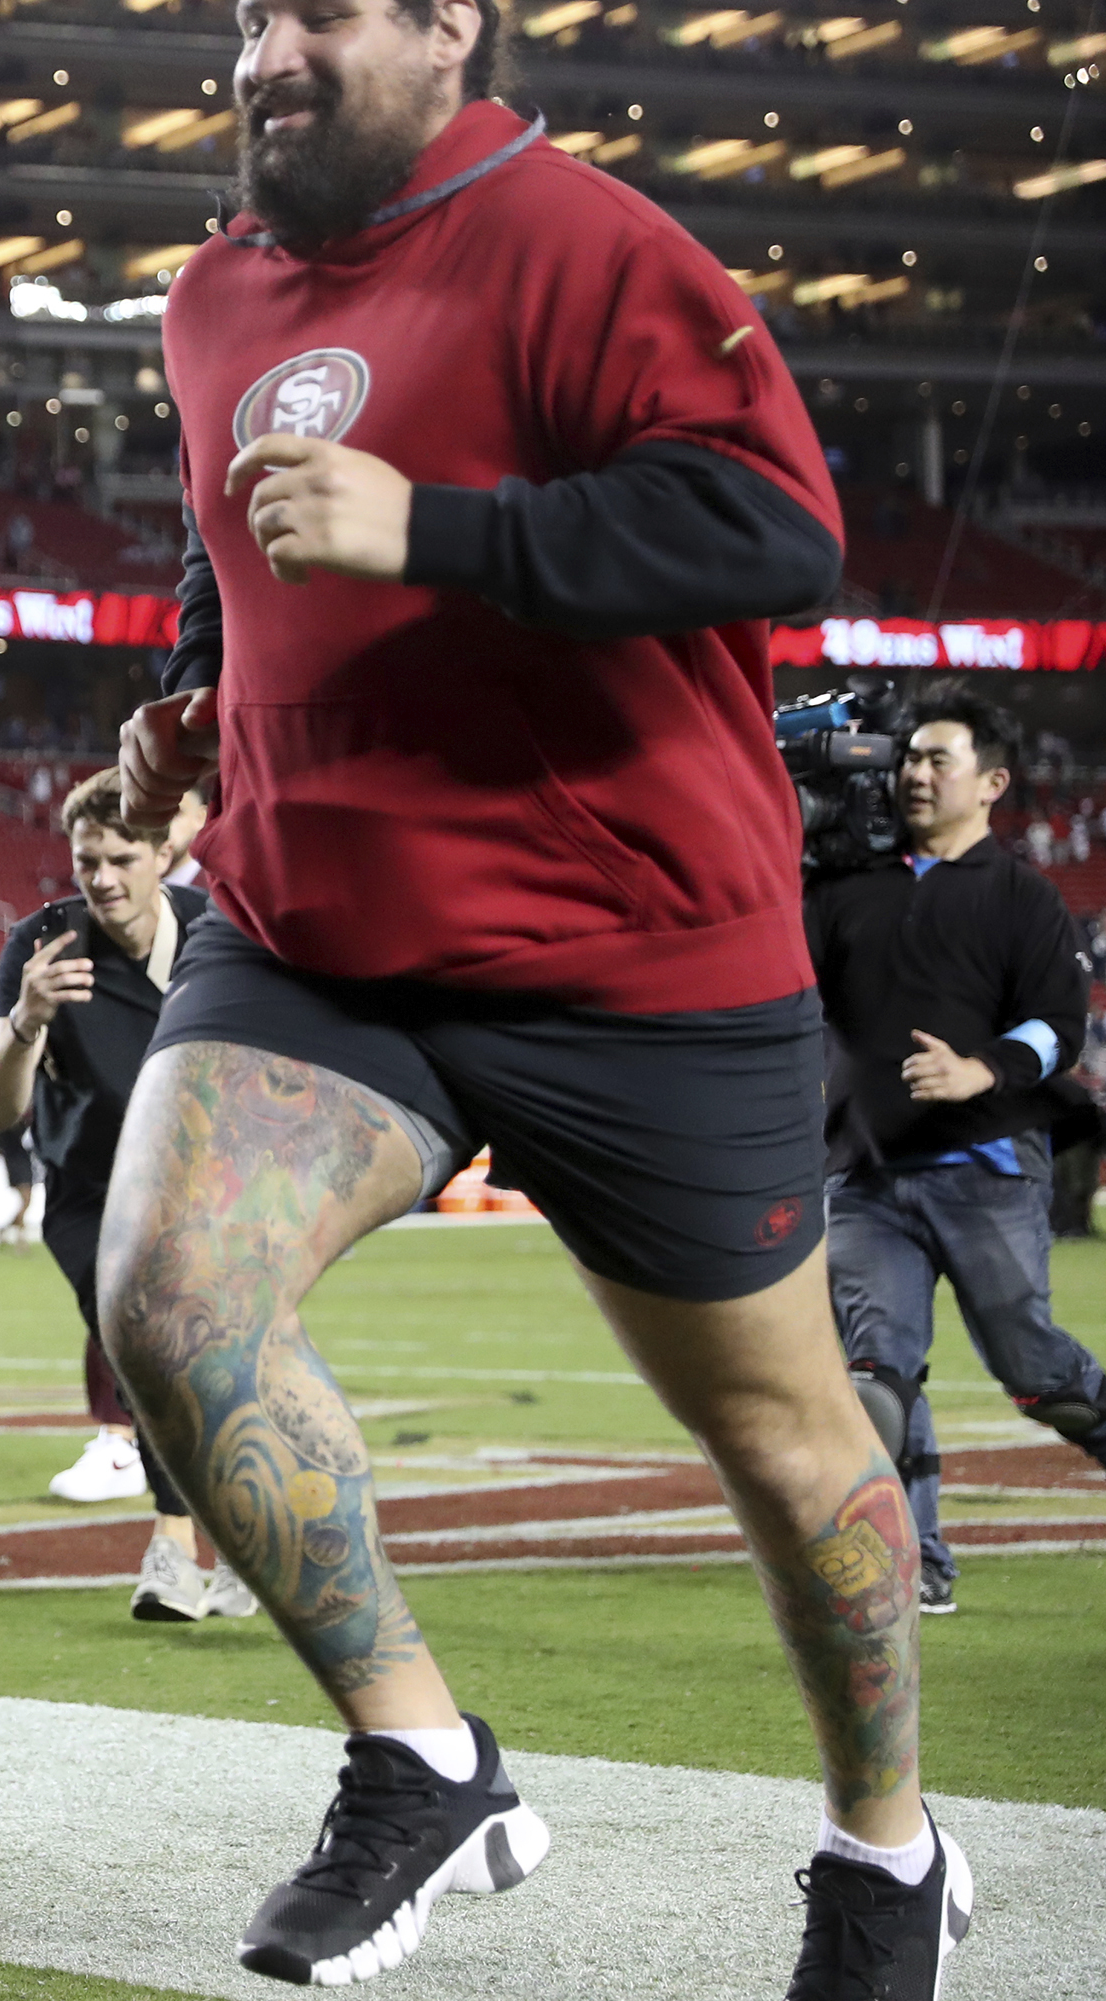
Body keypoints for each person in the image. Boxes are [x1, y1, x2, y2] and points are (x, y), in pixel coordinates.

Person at [106, 0, 963, 1988]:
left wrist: (442, 529)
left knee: (787, 1443)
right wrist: (168, 721)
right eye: (247, 17)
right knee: (171, 1293)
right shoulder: (215, 289)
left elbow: (778, 526)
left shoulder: (587, 244)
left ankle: (887, 1849)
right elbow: (230, 555)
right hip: (314, 924)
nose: (266, 54)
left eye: (317, 14)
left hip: (630, 946)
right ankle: (423, 1759)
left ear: (445, 27)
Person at [806, 686, 1106, 1618]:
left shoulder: (1023, 896)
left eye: (940, 759)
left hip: (982, 1167)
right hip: (861, 1176)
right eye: (909, 760)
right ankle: (918, 1561)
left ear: (993, 781)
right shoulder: (839, 888)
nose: (917, 774)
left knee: (1035, 1367)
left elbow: (1062, 1027)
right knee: (877, 1376)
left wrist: (985, 1069)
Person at [0, 773, 253, 1624]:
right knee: (141, 1343)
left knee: (214, 1362)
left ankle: (233, 1541)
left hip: (208, 1185)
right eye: (86, 858)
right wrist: (25, 1021)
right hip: (91, 1191)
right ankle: (176, 1543)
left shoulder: (222, 934)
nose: (101, 876)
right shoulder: (44, 943)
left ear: (165, 854)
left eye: (121, 857)